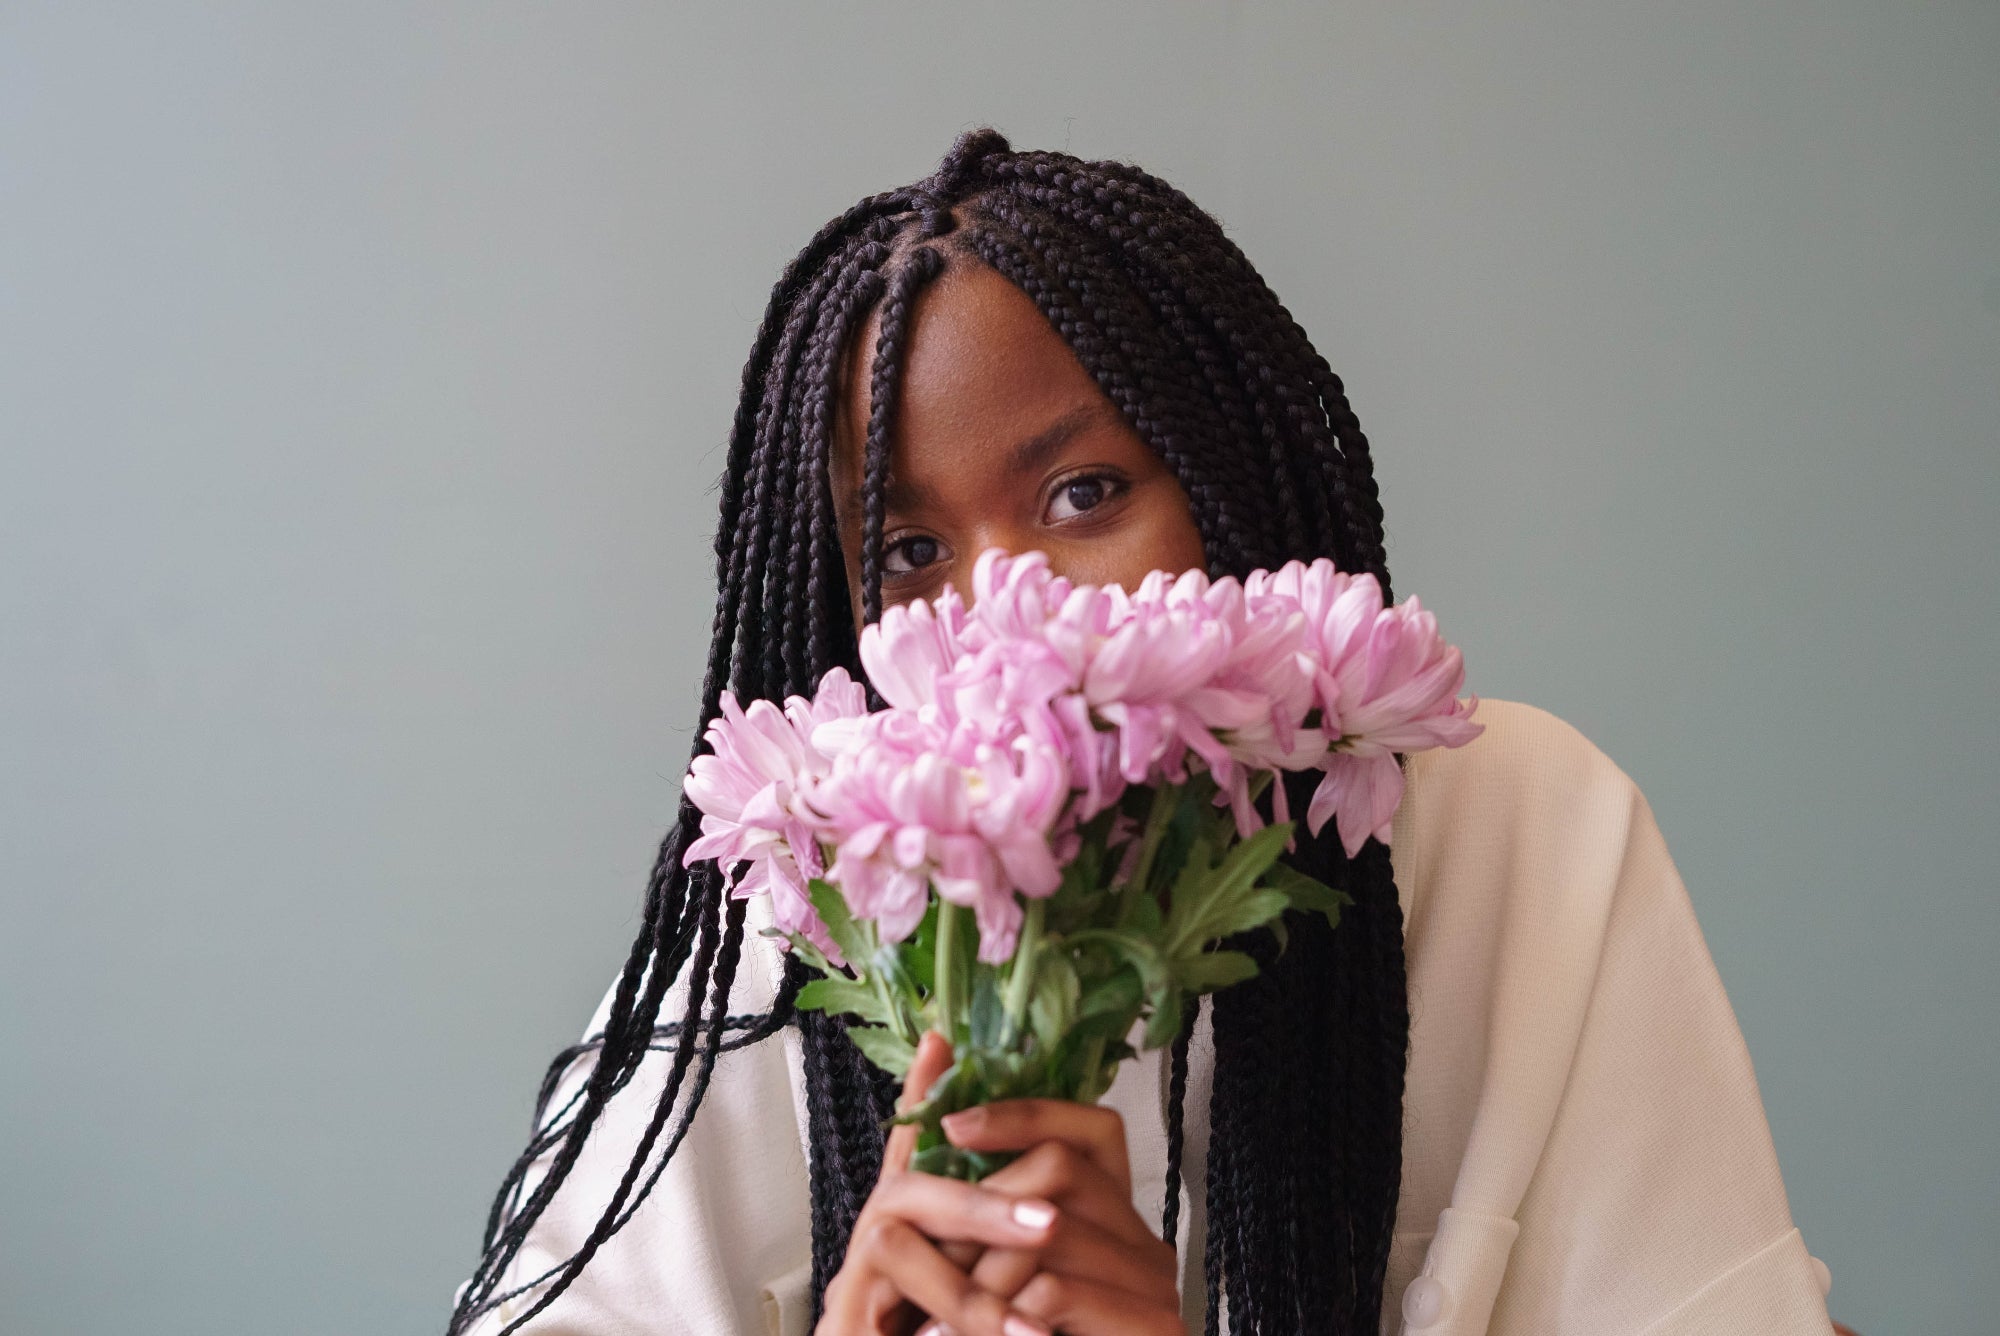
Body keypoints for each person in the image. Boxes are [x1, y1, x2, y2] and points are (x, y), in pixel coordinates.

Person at [448, 129, 1840, 1336]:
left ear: (1232, 483)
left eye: (1082, 492)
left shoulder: (1531, 836)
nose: (1005, 605)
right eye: (914, 546)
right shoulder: (798, 905)